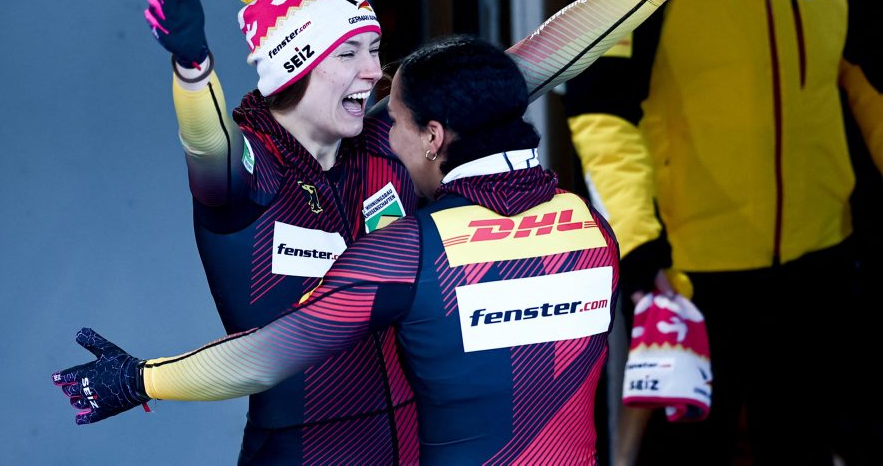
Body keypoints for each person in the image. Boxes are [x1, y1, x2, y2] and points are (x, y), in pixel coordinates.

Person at [55, 0, 789, 464]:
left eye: (375, 50)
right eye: (350, 53)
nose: (372, 72)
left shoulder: (395, 137)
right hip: (305, 448)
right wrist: (194, 70)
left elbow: (539, 58)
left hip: (418, 439)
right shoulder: (252, 171)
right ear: (294, 65)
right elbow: (207, 145)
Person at [54, 35, 625, 464]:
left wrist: (140, 379)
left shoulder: (408, 252)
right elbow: (529, 67)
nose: (386, 137)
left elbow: (262, 358)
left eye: (394, 121)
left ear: (433, 136)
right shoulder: (595, 229)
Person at [560, 0, 883, 464]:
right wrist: (640, 251)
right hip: (690, 274)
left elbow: (866, 68)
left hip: (821, 258)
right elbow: (601, 108)